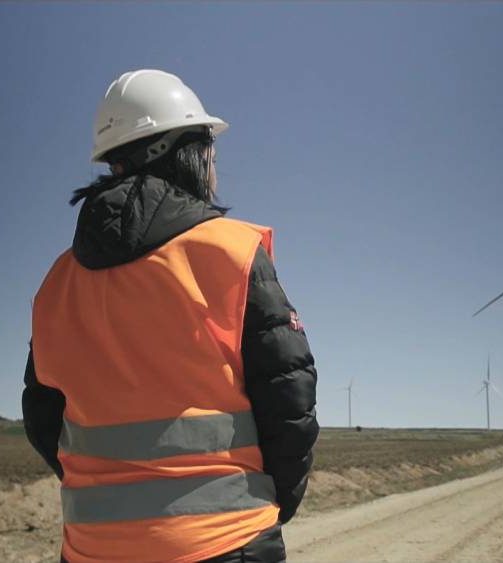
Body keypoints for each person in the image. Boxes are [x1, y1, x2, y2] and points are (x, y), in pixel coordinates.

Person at [22, 69, 319, 563]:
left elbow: (41, 417)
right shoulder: (228, 253)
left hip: (92, 549)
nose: (214, 165)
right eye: (210, 150)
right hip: (224, 540)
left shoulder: (57, 283)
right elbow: (289, 396)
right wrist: (272, 505)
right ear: (184, 153)